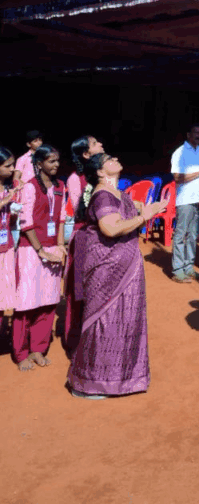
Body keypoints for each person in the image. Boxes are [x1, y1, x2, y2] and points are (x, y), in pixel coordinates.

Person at [67, 153, 165, 398]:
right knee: (105, 321)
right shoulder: (102, 196)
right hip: (107, 268)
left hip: (125, 266)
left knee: (125, 320)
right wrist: (144, 216)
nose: (116, 158)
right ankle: (90, 383)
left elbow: (129, 211)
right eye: (109, 159)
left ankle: (120, 379)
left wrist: (145, 209)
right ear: (100, 172)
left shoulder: (118, 193)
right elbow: (110, 228)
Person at [14, 146, 67, 370]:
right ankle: (21, 353)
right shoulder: (30, 187)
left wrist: (60, 245)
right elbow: (26, 223)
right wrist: (40, 250)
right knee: (26, 302)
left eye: (57, 160)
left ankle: (38, 348)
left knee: (48, 300)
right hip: (31, 250)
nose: (56, 164)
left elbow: (62, 217)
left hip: (52, 248)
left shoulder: (60, 186)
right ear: (39, 164)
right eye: (51, 161)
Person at [63, 134, 105, 355]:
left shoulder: (103, 175)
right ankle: (76, 343)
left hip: (103, 238)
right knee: (79, 291)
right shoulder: (75, 179)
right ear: (86, 154)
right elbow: (83, 211)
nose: (101, 145)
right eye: (96, 144)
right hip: (84, 238)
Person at [170, 124, 199, 283]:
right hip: (186, 200)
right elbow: (177, 177)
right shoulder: (180, 153)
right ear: (188, 135)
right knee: (181, 235)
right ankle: (178, 270)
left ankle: (188, 267)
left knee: (193, 236)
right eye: (196, 133)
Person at [0, 148, 18, 340]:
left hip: (6, 247)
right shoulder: (6, 194)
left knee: (3, 295)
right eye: (8, 165)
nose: (12, 169)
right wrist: (5, 200)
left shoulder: (6, 189)